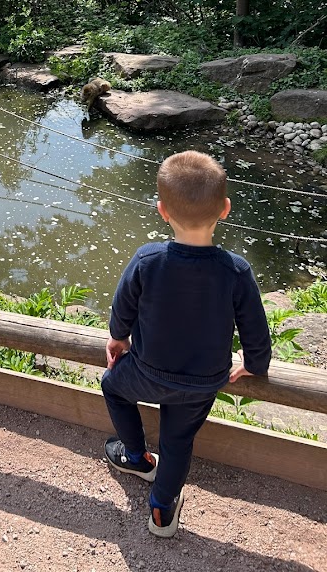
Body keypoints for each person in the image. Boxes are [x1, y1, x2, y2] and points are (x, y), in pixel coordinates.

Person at [100, 150, 271, 538]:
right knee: (178, 442)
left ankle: (137, 457)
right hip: (202, 382)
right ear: (225, 208)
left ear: (162, 210)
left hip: (145, 371)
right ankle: (161, 511)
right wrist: (255, 365)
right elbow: (255, 332)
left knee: (112, 386)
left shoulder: (147, 259)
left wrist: (117, 338)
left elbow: (123, 307)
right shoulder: (236, 270)